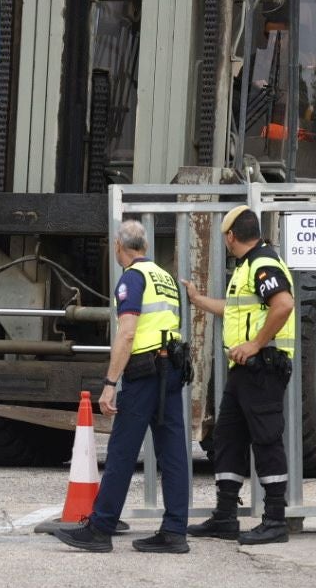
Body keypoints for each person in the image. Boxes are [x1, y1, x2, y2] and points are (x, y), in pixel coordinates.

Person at [53, 220, 191, 554]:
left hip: (144, 371)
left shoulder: (132, 278)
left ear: (119, 246)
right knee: (172, 451)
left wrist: (110, 383)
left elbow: (127, 333)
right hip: (171, 369)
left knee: (121, 450)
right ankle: (175, 530)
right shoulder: (166, 278)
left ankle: (100, 528)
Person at [182, 204, 296, 546]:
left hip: (263, 368)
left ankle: (275, 520)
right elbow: (234, 310)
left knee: (266, 440)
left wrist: (256, 344)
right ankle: (225, 515)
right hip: (244, 371)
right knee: (228, 437)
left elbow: (284, 305)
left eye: (225, 237)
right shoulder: (248, 267)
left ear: (231, 236)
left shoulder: (262, 263)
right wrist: (199, 300)